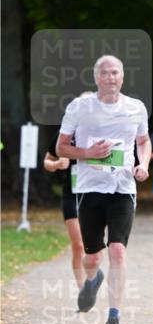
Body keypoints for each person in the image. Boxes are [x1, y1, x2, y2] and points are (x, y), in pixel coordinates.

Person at [55, 56, 150, 324]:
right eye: (105, 73)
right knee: (92, 256)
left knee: (117, 250)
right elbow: (61, 147)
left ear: (122, 77)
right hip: (89, 189)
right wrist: (87, 154)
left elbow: (143, 142)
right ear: (97, 78)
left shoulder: (136, 107)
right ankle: (92, 279)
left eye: (115, 72)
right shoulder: (79, 107)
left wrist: (143, 165)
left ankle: (114, 319)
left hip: (123, 189)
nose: (110, 77)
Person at [44, 98, 90, 289]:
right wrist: (56, 164)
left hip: (96, 195)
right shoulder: (63, 136)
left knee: (93, 246)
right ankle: (82, 289)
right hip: (71, 193)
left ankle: (93, 279)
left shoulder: (104, 134)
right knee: (78, 245)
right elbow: (47, 161)